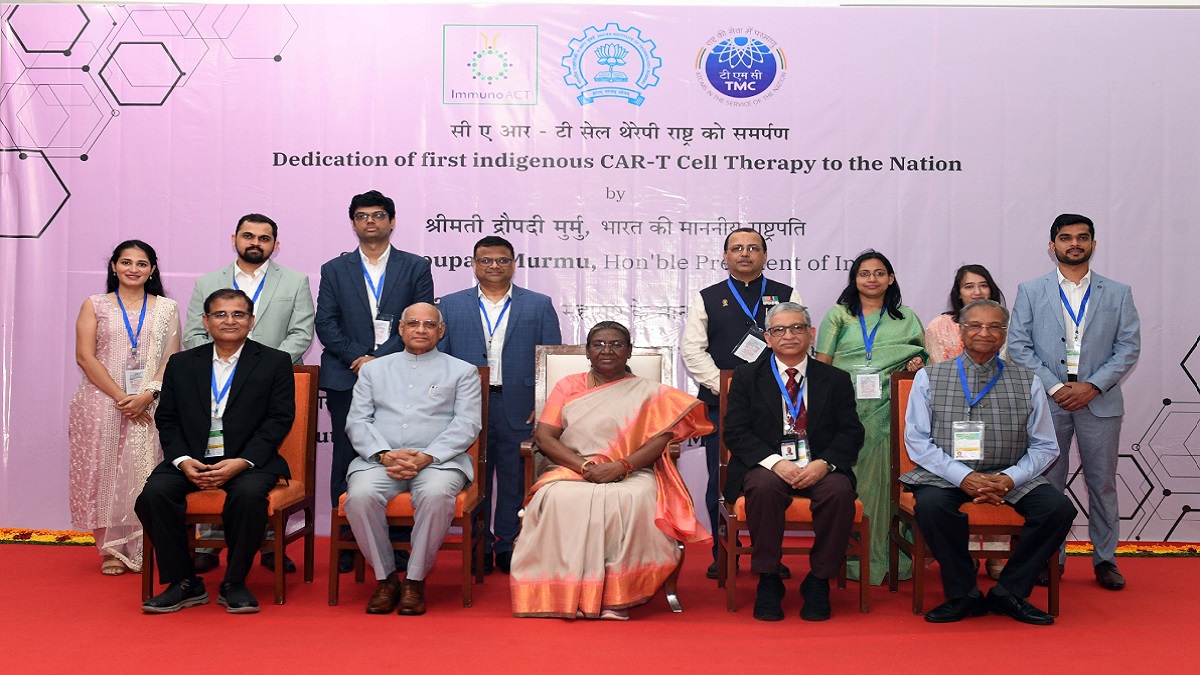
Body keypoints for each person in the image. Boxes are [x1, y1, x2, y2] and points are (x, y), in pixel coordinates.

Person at [511, 321, 713, 620]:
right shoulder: (568, 385)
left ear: (629, 351)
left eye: (617, 344)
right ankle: (566, 592)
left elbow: (660, 442)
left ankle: (617, 596)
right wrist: (585, 466)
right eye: (599, 344)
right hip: (573, 468)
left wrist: (622, 466)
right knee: (555, 497)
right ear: (588, 352)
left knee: (636, 498)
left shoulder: (650, 393)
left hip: (632, 471)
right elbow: (544, 437)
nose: (607, 350)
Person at [901, 299, 1077, 625]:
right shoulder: (929, 377)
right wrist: (963, 477)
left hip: (1009, 474)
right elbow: (918, 441)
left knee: (1058, 510)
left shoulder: (1029, 381)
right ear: (962, 331)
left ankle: (1009, 591)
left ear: (1004, 334)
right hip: (947, 475)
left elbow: (1044, 446)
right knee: (932, 507)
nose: (985, 332)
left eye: (994, 326)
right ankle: (963, 592)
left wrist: (1010, 479)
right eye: (976, 325)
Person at [135, 289, 295, 614]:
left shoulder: (274, 362)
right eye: (220, 314)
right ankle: (183, 581)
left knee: (249, 497)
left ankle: (234, 582)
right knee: (154, 496)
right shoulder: (181, 364)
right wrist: (182, 460)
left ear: (251, 321)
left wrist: (241, 461)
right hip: (191, 458)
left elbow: (279, 419)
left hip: (249, 460)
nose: (229, 320)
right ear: (206, 322)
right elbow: (167, 419)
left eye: (238, 314)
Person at [1008, 214, 1141, 591]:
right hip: (1050, 402)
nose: (1074, 244)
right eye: (1065, 238)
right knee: (1049, 486)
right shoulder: (1031, 290)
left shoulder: (1118, 292)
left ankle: (1105, 560)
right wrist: (1054, 387)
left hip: (1099, 401)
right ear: (1052, 247)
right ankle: (1052, 559)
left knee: (1102, 484)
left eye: (1082, 238)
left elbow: (1128, 347)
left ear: (1094, 245)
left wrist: (1093, 387)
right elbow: (1019, 346)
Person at [184, 213, 315, 574]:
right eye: (248, 236)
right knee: (213, 450)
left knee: (261, 455)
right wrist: (220, 364)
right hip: (215, 383)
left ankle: (271, 544)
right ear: (234, 238)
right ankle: (210, 544)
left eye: (264, 237)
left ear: (275, 244)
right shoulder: (208, 282)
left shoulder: (295, 281)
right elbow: (194, 335)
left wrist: (260, 370)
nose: (255, 242)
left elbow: (301, 334)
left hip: (270, 388)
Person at [317, 190, 435, 573]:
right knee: (347, 455)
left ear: (392, 221)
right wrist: (358, 357)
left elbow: (420, 319)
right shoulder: (334, 269)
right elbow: (326, 323)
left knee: (398, 450)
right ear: (353, 223)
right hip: (345, 375)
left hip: (402, 374)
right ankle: (349, 543)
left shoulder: (415, 266)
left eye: (379, 215)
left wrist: (378, 361)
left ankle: (398, 542)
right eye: (363, 215)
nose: (371, 221)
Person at [724, 303, 864, 621]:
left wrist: (824, 464)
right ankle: (769, 579)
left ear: (811, 334)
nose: (788, 335)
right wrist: (775, 463)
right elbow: (736, 431)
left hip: (819, 463)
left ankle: (818, 581)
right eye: (779, 330)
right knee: (764, 488)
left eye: (797, 328)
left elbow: (851, 432)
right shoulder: (747, 377)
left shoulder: (836, 378)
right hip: (767, 465)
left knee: (839, 492)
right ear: (768, 338)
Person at [343, 303, 482, 616]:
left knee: (435, 495)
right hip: (381, 459)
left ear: (441, 331)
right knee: (360, 496)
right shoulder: (373, 369)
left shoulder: (462, 371)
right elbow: (357, 421)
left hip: (439, 461)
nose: (421, 329)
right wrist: (383, 453)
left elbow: (467, 424)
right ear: (401, 329)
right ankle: (387, 579)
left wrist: (427, 456)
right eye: (414, 323)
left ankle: (415, 581)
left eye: (429, 324)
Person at [681, 227, 802, 579]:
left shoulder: (785, 293)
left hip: (779, 403)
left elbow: (797, 342)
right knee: (721, 482)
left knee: (774, 477)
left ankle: (770, 556)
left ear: (765, 256)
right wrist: (725, 386)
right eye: (737, 248)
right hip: (723, 403)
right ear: (725, 257)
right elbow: (692, 349)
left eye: (753, 248)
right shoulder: (708, 296)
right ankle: (724, 557)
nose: (745, 254)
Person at [438, 235, 561, 574]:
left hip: (518, 404)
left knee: (510, 478)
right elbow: (440, 360)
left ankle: (506, 544)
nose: (494, 266)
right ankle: (477, 544)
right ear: (474, 264)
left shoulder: (538, 304)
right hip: (465, 405)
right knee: (472, 477)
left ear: (513, 264)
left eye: (502, 260)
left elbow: (551, 359)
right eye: (486, 260)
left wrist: (544, 403)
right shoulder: (450, 304)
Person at [815, 249, 926, 585]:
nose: (872, 279)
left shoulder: (906, 317)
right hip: (845, 412)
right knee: (853, 484)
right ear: (855, 279)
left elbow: (921, 358)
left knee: (886, 483)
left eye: (880, 273)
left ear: (890, 278)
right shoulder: (838, 315)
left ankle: (891, 557)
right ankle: (848, 556)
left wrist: (916, 365)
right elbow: (822, 364)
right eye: (865, 273)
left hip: (890, 413)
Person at [70, 240, 180, 575]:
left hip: (150, 403)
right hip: (101, 402)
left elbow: (172, 357)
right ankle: (112, 551)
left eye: (142, 263)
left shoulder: (166, 307)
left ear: (153, 269)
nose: (134, 269)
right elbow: (85, 357)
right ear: (114, 266)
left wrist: (147, 393)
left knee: (146, 473)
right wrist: (121, 397)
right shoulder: (95, 304)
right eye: (126, 262)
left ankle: (145, 544)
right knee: (102, 474)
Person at [923, 264, 1008, 579]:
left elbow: (1009, 370)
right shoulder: (939, 326)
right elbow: (939, 377)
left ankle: (997, 555)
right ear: (958, 293)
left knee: (995, 481)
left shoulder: (1005, 326)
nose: (977, 291)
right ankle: (967, 551)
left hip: (998, 420)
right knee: (961, 482)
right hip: (953, 420)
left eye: (983, 285)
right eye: (969, 286)